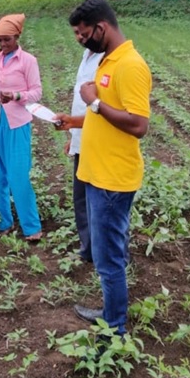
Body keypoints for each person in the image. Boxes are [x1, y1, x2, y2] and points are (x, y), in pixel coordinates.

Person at [55, 0, 152, 337]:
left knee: (109, 261)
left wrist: (93, 101)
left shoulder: (130, 65)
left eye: (84, 33)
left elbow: (138, 124)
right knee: (104, 255)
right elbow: (103, 117)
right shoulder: (106, 61)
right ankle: (111, 311)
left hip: (113, 178)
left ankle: (116, 329)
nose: (81, 39)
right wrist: (75, 121)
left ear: (102, 27)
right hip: (96, 173)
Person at [0, 13, 43, 241]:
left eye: (8, 39)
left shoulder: (28, 61)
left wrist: (15, 95)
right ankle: (4, 223)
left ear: (17, 36)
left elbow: (36, 92)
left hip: (16, 124)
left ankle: (31, 228)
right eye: (0, 40)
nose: (3, 45)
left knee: (18, 177)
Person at [65, 41, 104, 262]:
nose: (79, 37)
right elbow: (80, 104)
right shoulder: (86, 54)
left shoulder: (106, 59)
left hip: (98, 141)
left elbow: (98, 105)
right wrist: (73, 137)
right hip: (82, 136)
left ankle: (102, 251)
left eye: (82, 32)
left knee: (97, 199)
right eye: (76, 34)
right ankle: (88, 249)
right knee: (80, 198)